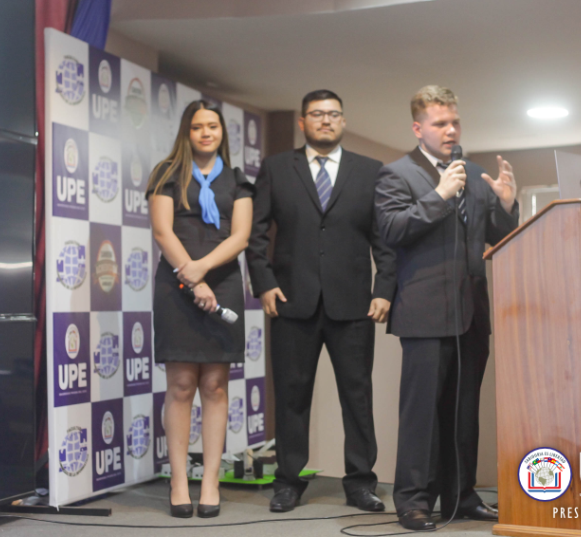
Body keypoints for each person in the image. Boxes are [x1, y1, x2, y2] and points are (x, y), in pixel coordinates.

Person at [374, 85, 518, 531]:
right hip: (423, 311)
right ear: (419, 128)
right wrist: (438, 195)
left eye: (455, 121)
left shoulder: (474, 173)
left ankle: (461, 495)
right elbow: (393, 230)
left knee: (464, 409)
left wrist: (508, 206)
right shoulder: (395, 174)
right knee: (421, 414)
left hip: (471, 308)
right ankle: (413, 501)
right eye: (440, 123)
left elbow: (496, 235)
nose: (451, 129)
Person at [247, 90, 396, 513]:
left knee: (357, 396)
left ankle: (360, 483)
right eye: (317, 114)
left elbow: (383, 239)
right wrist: (264, 283)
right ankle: (289, 483)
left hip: (354, 305)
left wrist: (385, 287)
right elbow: (256, 234)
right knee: (292, 396)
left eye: (333, 114)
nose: (325, 121)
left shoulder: (370, 171)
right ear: (302, 122)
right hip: (292, 302)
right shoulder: (277, 168)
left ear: (344, 121)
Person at [147, 100, 254, 519]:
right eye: (197, 127)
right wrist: (190, 277)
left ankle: (209, 481)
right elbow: (162, 230)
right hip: (176, 283)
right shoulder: (166, 173)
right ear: (186, 132)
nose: (206, 133)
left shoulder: (239, 180)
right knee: (180, 386)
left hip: (222, 281)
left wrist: (204, 271)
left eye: (212, 126)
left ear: (222, 132)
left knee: (214, 386)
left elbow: (242, 235)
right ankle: (178, 481)